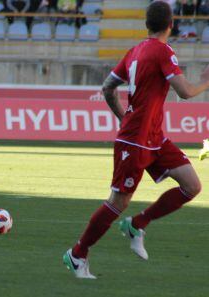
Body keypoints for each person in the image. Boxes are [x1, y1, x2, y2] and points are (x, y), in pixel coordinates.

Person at [62, 1, 209, 279]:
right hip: (136, 140)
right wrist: (206, 81)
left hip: (153, 138)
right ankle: (77, 254)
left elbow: (107, 87)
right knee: (118, 202)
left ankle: (137, 224)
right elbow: (186, 92)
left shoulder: (135, 51)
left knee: (192, 185)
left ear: (146, 24)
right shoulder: (163, 51)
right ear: (172, 24)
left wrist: (122, 116)